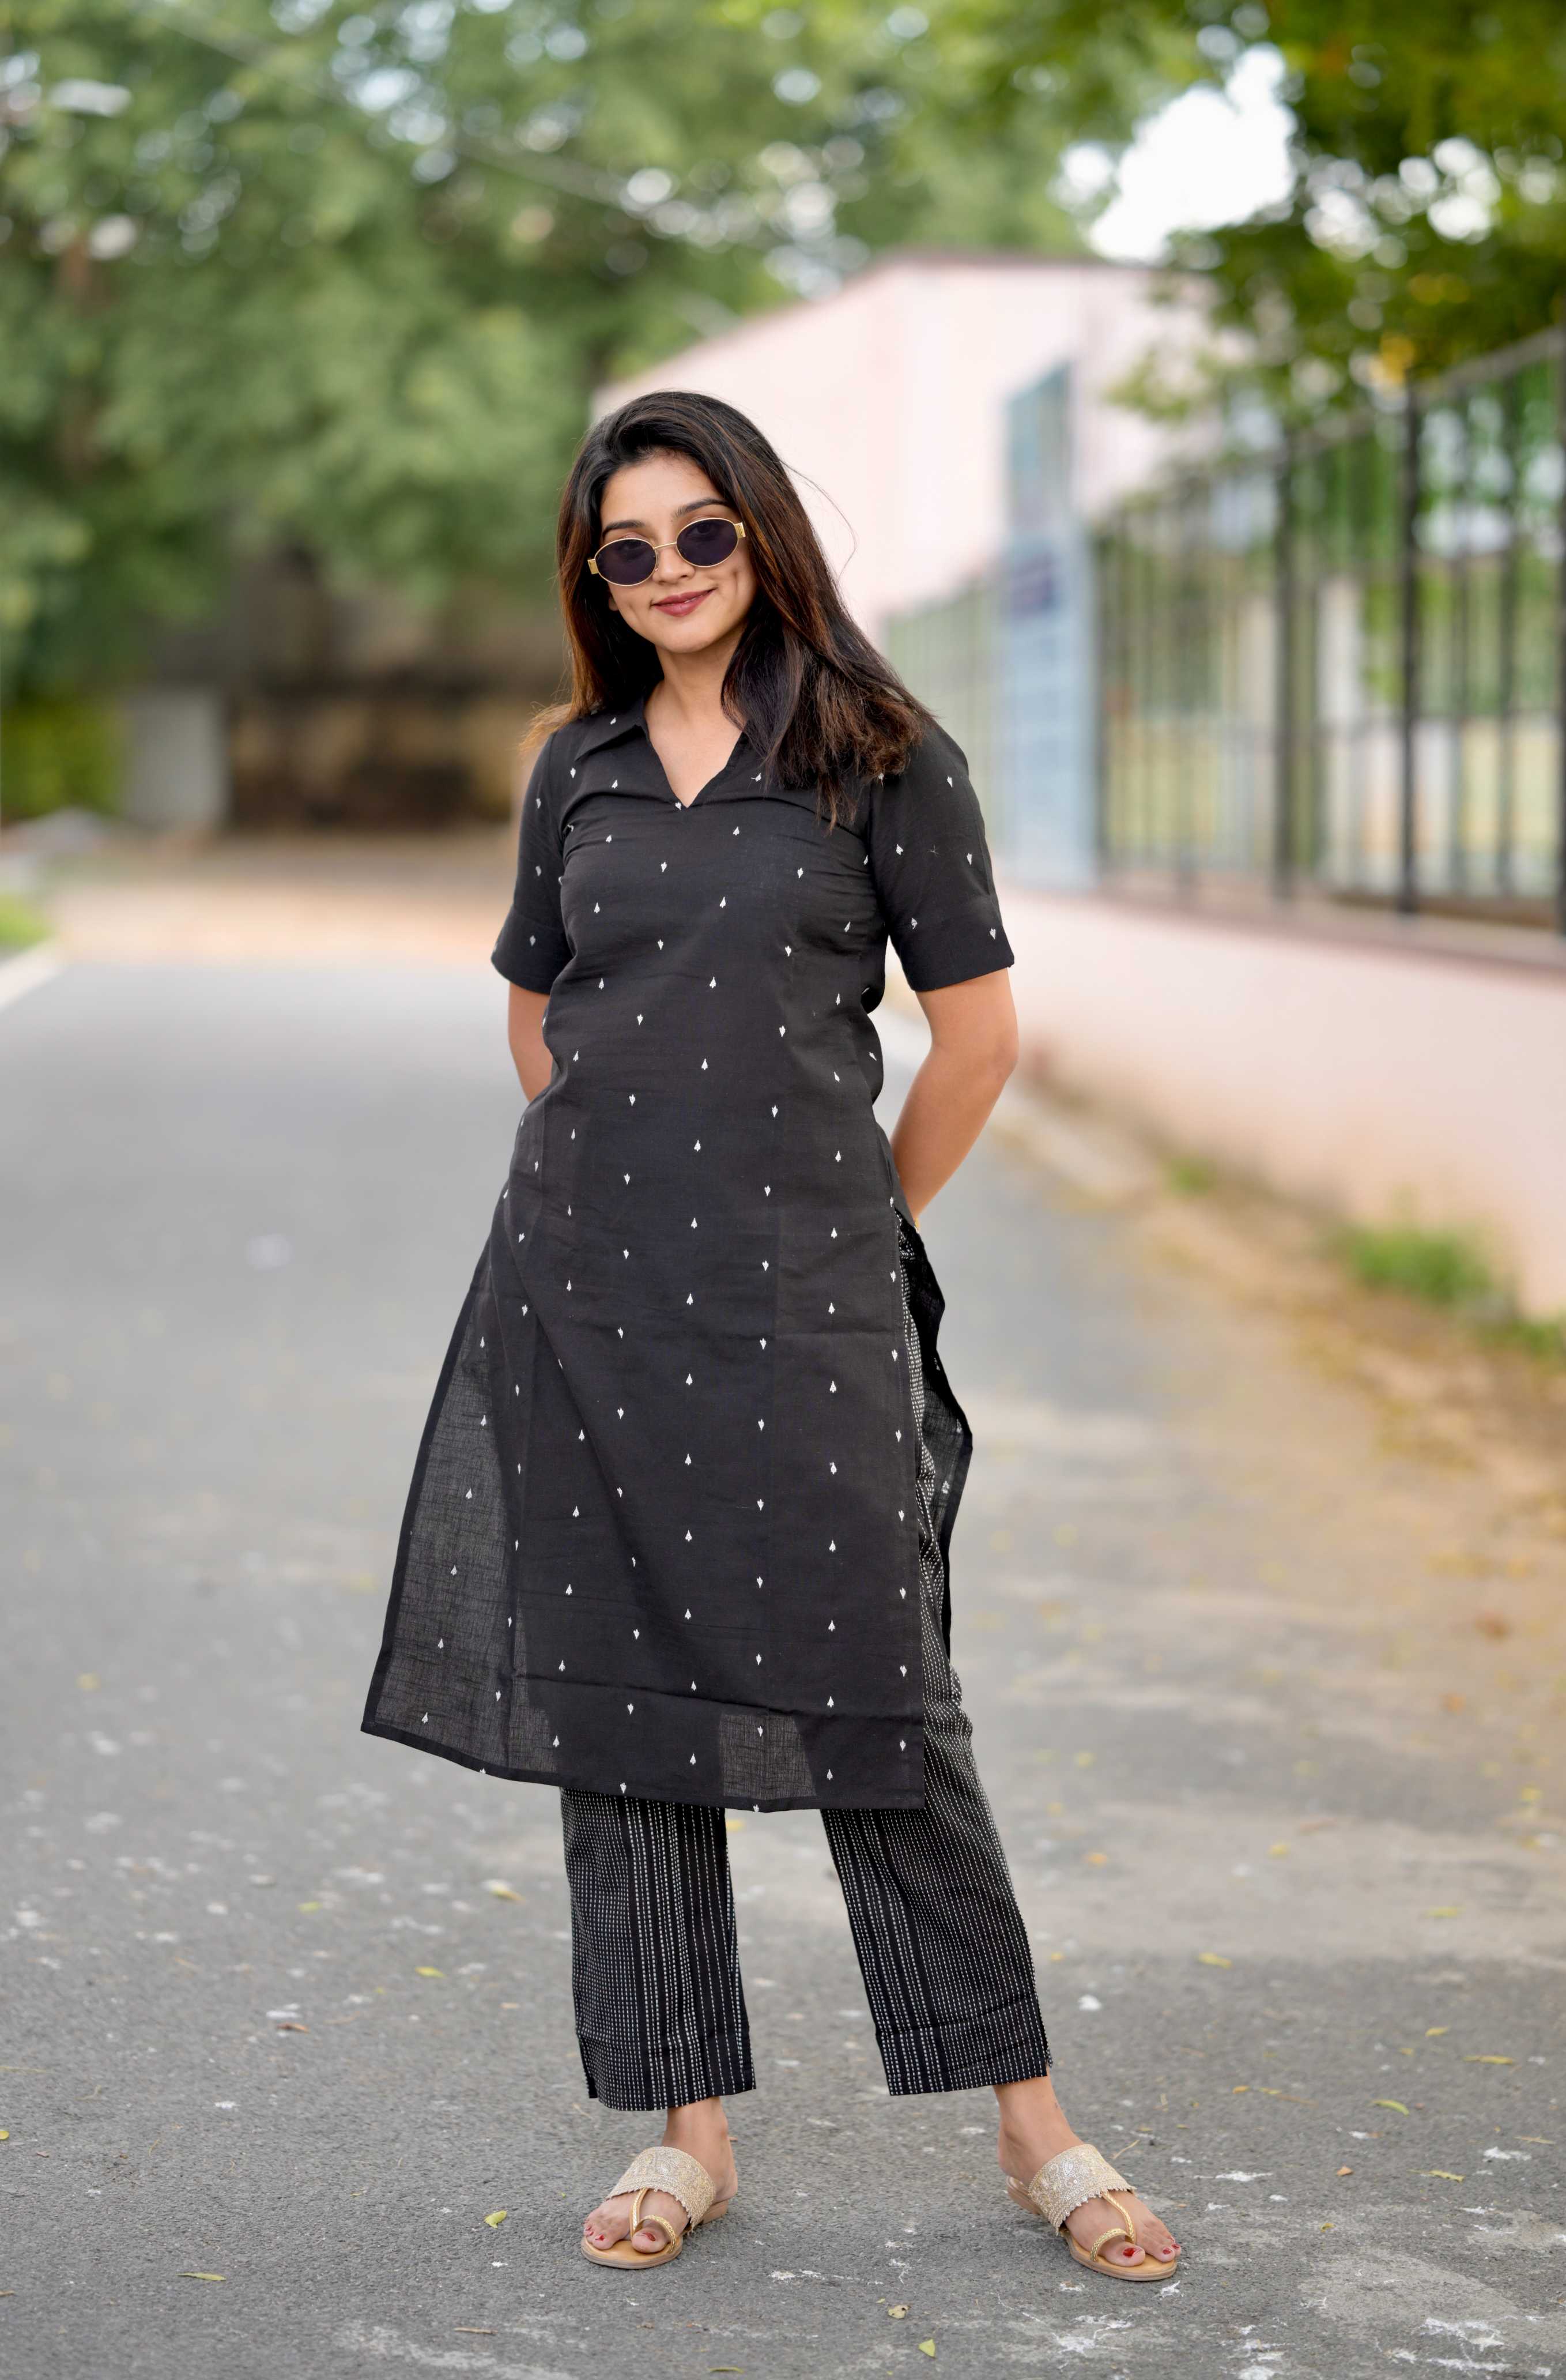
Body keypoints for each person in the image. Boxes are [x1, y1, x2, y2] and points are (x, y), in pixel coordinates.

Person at [362, 390, 1180, 2283]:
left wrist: (847, 1223)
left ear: (763, 534)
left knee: (883, 1697)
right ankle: (686, 2133)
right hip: (586, 1300)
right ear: (595, 576)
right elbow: (538, 1015)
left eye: (701, 534)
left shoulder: (883, 755)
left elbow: (975, 1043)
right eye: (626, 549)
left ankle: (1034, 2126)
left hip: (806, 1305)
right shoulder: (576, 767)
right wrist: (622, 1187)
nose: (667, 572)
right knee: (620, 1707)